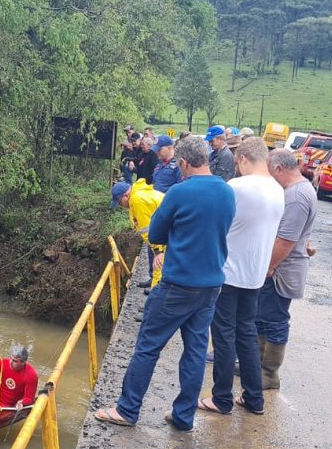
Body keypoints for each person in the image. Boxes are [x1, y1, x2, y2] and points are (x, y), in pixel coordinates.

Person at [93, 135, 236, 432]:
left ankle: (127, 409)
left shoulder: (180, 192)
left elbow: (156, 235)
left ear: (183, 162)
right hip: (211, 286)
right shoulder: (227, 191)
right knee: (195, 351)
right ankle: (183, 417)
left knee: (147, 346)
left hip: (178, 283)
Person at [199, 138, 284, 417]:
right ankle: (253, 398)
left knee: (223, 335)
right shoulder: (277, 189)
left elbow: (213, 223)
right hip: (255, 275)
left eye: (238, 163)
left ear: (244, 158)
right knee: (246, 334)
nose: (237, 167)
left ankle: (221, 398)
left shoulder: (237, 187)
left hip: (229, 273)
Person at [257, 149, 319, 389]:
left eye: (271, 172)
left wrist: (269, 267)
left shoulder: (296, 197)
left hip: (281, 272)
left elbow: (285, 240)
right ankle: (256, 363)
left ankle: (269, 373)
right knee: (261, 317)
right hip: (280, 268)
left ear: (280, 169)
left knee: (274, 320)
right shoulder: (299, 190)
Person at [111, 178, 165, 288]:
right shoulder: (138, 195)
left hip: (164, 238)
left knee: (160, 268)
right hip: (165, 235)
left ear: (125, 196)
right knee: (160, 270)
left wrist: (158, 251)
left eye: (120, 202)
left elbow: (148, 228)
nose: (121, 206)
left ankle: (156, 294)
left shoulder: (137, 200)